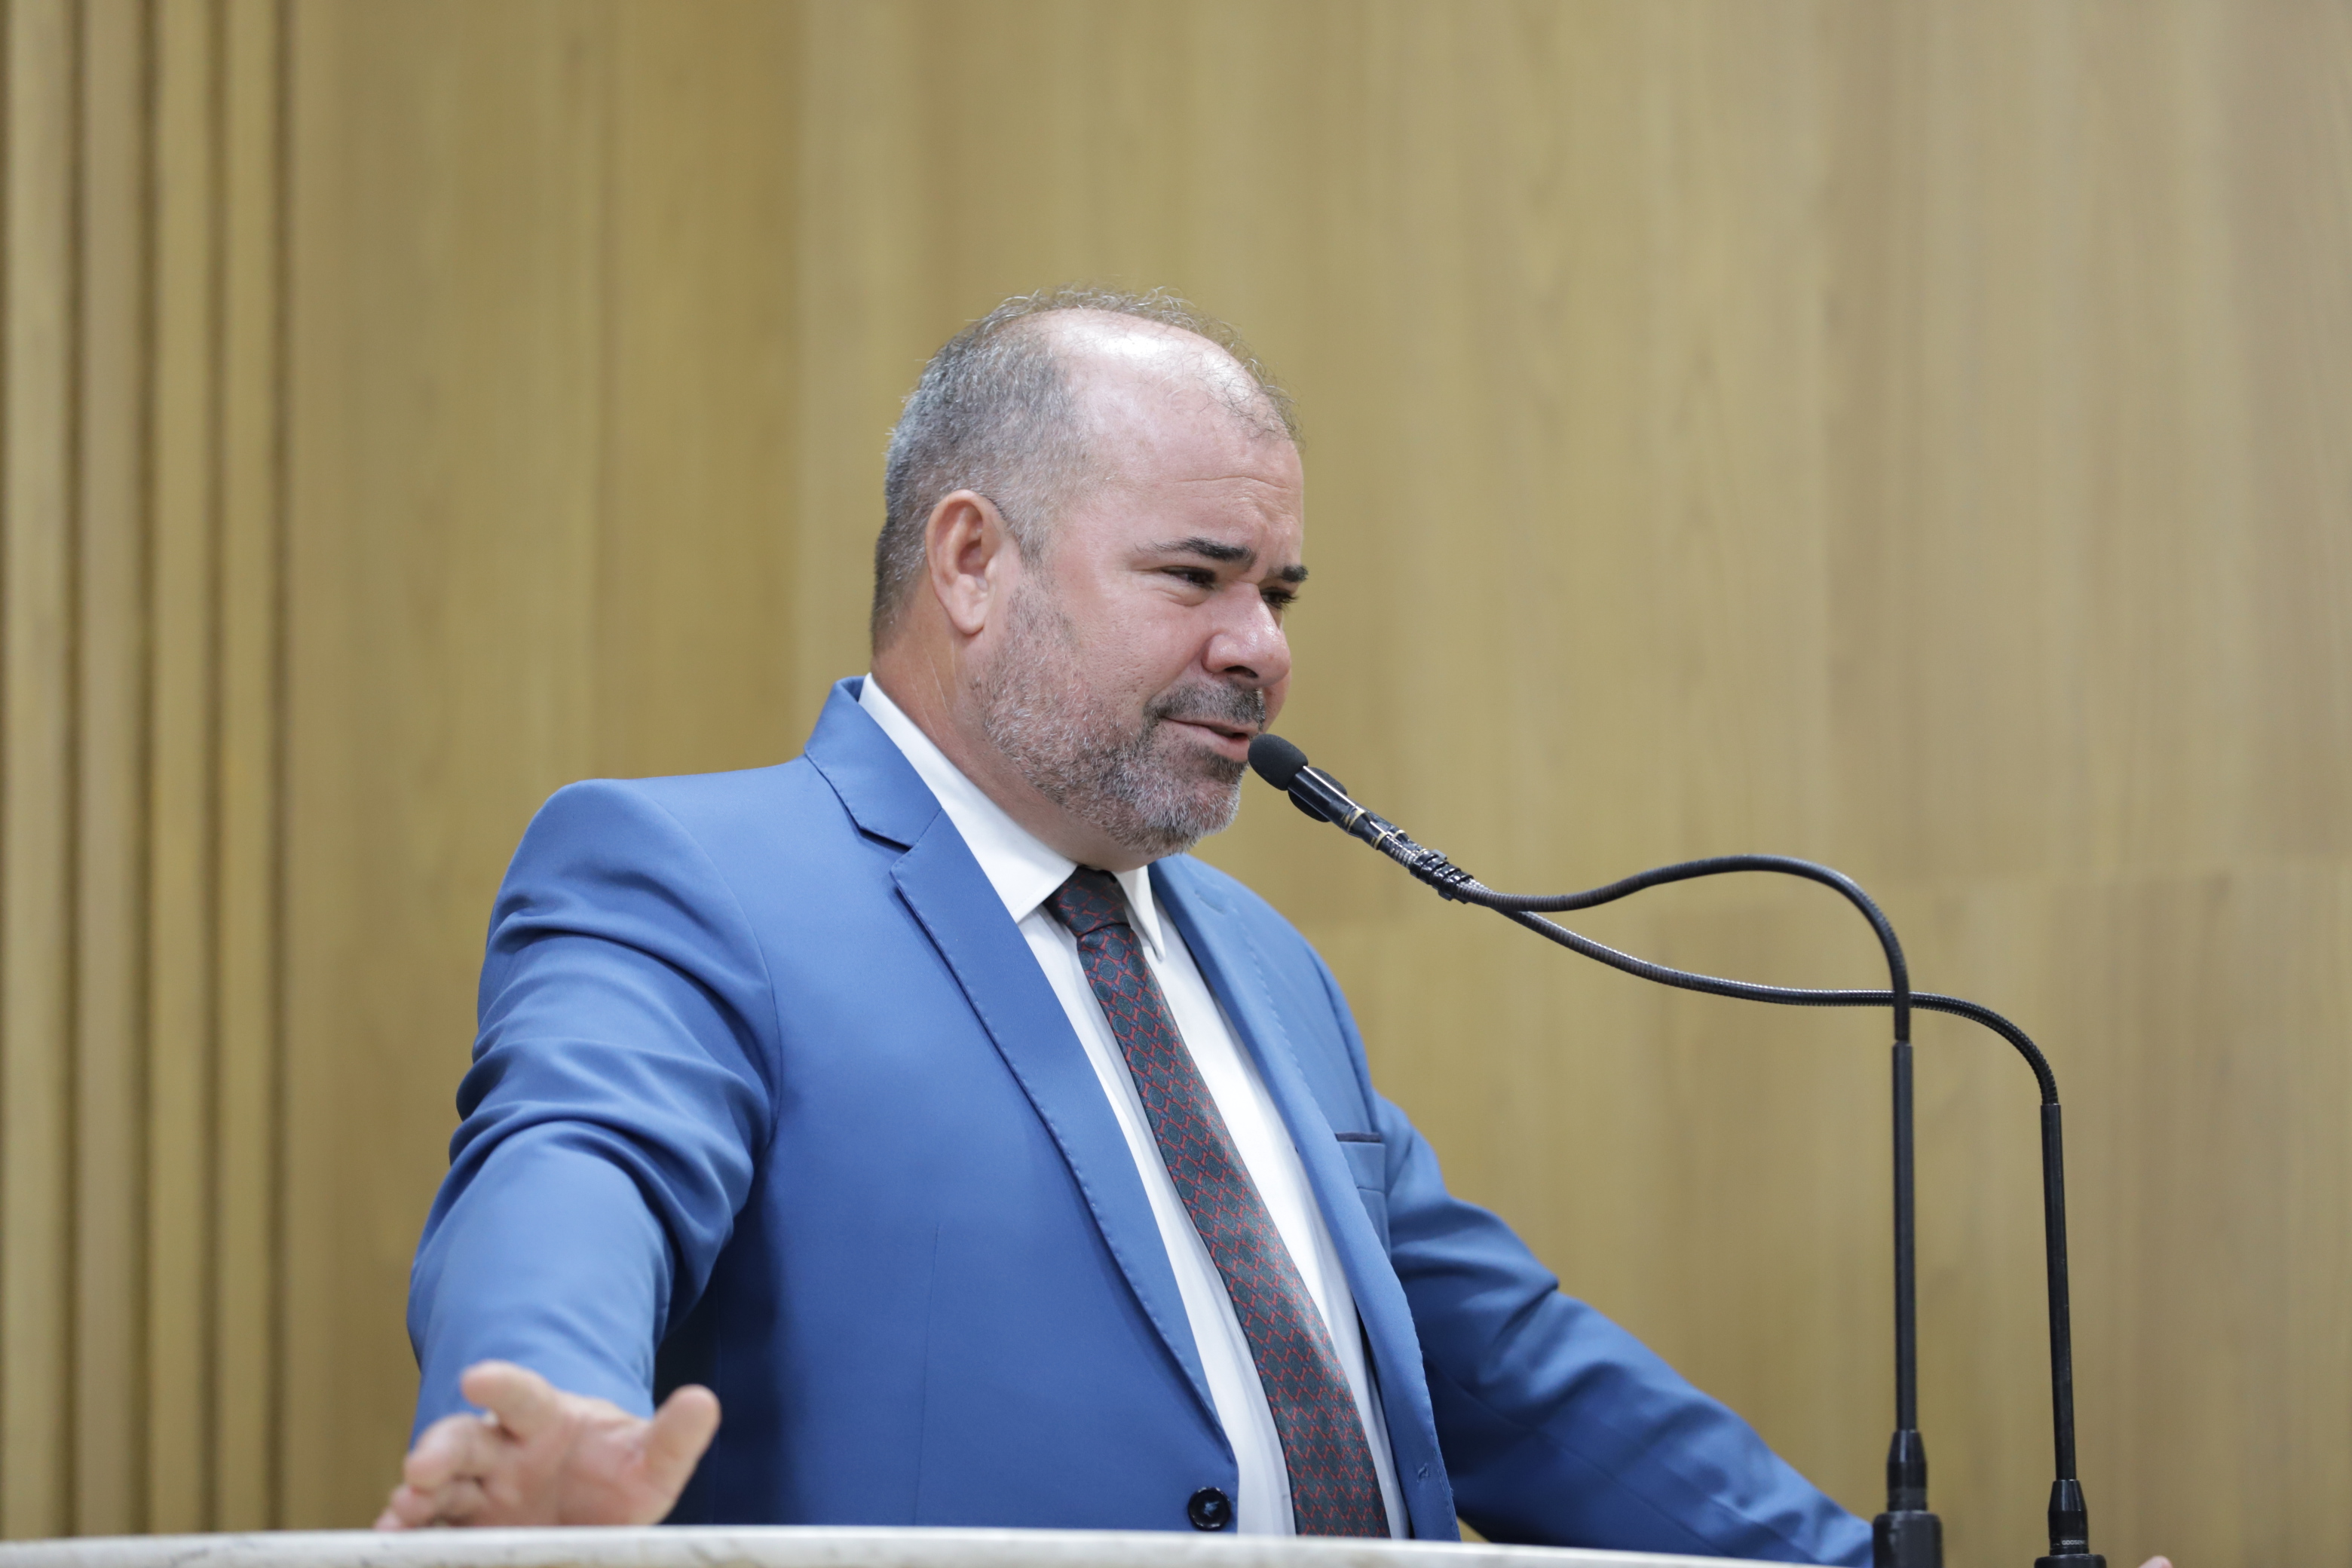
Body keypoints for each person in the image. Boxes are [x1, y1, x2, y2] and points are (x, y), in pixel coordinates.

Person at [375, 288, 2161, 1568]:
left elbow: (1513, 1370)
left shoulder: (1260, 961)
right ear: (973, 561)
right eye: (1197, 576)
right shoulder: (692, 872)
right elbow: (576, 1162)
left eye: (1279, 590)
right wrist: (539, 1417)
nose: (1263, 648)